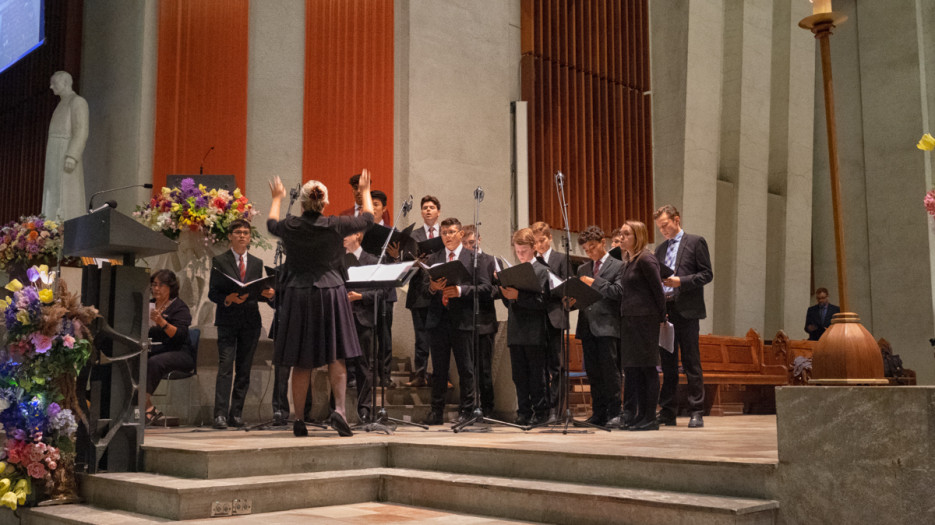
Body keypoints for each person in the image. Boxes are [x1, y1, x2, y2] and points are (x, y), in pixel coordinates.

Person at [266, 170, 375, 437]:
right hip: (331, 292)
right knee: (336, 355)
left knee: (302, 361)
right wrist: (365, 191)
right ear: (324, 202)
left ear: (302, 203)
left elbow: (270, 224)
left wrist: (277, 197)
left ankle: (300, 418)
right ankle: (339, 410)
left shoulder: (290, 225)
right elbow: (369, 219)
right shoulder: (336, 224)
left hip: (299, 293)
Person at [421, 218, 491, 425]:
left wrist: (461, 291)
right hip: (438, 320)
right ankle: (436, 411)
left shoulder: (474, 258)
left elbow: (486, 288)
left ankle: (467, 410)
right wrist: (433, 287)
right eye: (444, 233)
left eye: (452, 232)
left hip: (463, 319)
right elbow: (424, 290)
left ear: (461, 234)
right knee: (439, 370)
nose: (448, 236)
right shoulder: (434, 258)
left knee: (466, 368)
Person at [207, 219, 275, 429]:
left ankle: (236, 414)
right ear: (230, 236)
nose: (242, 236)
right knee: (225, 367)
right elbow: (213, 292)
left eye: (246, 232)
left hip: (250, 321)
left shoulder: (255, 262)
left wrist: (269, 294)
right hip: (228, 320)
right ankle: (219, 415)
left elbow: (255, 292)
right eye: (238, 232)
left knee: (244, 370)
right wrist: (229, 298)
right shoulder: (220, 260)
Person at [653, 204, 713, 429]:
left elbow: (707, 274)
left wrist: (681, 281)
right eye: (659, 227)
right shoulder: (659, 250)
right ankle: (668, 411)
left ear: (677, 219)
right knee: (667, 364)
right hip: (666, 309)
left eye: (665, 225)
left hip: (687, 310)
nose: (663, 231)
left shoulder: (695, 242)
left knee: (690, 362)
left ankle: (696, 410)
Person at [500, 228, 553, 425]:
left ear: (533, 248)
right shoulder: (515, 270)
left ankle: (540, 412)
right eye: (517, 251)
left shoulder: (541, 270)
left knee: (536, 375)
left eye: (524, 251)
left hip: (534, 331)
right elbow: (510, 304)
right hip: (516, 330)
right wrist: (506, 294)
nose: (520, 254)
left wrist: (519, 296)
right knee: (519, 375)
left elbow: (543, 302)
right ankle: (523, 412)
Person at [575, 226, 625, 427]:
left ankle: (615, 413)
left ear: (603, 242)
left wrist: (594, 282)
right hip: (587, 326)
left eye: (592, 247)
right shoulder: (582, 269)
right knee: (593, 373)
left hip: (608, 326)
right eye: (586, 249)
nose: (589, 252)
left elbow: (618, 292)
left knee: (610, 373)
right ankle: (598, 413)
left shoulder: (619, 266)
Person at [619, 221, 667, 431]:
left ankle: (649, 417)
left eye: (626, 234)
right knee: (634, 370)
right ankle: (640, 415)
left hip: (645, 321)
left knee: (647, 368)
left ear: (638, 236)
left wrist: (660, 318)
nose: (621, 238)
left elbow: (658, 291)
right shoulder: (630, 261)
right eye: (621, 234)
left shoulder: (647, 259)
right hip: (630, 321)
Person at [530, 221, 569, 420]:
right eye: (535, 242)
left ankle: (557, 410)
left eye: (542, 240)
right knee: (540, 367)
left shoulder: (560, 259)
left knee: (557, 366)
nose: (539, 245)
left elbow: (567, 287)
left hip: (554, 316)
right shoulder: (531, 262)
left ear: (550, 238)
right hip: (536, 319)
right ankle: (542, 409)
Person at [145, 270, 194, 425]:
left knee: (154, 362)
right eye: (154, 284)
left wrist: (162, 322)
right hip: (156, 350)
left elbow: (179, 335)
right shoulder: (150, 304)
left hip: (180, 353)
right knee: (132, 358)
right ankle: (147, 408)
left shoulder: (179, 307)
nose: (156, 288)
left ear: (171, 287)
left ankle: (141, 404)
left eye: (161, 285)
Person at [404, 195, 442, 387]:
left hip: (440, 290)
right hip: (419, 290)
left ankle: (439, 375)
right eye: (425, 207)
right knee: (421, 336)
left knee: (440, 336)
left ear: (438, 211)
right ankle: (420, 374)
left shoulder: (445, 234)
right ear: (421, 211)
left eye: (432, 207)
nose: (428, 210)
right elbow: (405, 263)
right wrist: (415, 263)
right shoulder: (414, 236)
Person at [461, 224, 498, 415]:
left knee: (484, 369)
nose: (469, 247)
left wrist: (491, 286)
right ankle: (469, 406)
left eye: (472, 243)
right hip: (465, 321)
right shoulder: (462, 262)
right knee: (467, 368)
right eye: (465, 244)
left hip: (485, 321)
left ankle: (488, 407)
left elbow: (498, 289)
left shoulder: (491, 260)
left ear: (479, 239)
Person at [42, 71, 88, 221]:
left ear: (65, 83)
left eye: (54, 83)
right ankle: (50, 226)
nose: (51, 86)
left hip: (65, 150)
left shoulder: (77, 101)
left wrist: (72, 155)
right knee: (53, 191)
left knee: (66, 192)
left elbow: (81, 130)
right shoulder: (62, 103)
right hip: (54, 152)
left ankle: (64, 225)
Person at [344, 231, 377, 422]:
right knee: (338, 364)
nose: (342, 237)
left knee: (363, 365)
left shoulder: (371, 260)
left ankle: (364, 408)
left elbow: (382, 292)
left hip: (363, 318)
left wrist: (361, 296)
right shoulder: (337, 260)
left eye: (346, 234)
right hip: (342, 318)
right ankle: (336, 408)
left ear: (357, 235)